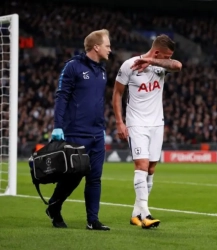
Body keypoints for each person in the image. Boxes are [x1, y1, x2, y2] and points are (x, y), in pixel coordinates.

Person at [112, 34, 182, 229]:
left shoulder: (161, 65)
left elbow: (178, 66)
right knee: (141, 165)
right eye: (167, 55)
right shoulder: (130, 65)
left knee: (150, 169)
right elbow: (117, 93)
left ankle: (136, 213)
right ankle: (146, 214)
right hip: (136, 123)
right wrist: (120, 122)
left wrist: (152, 61)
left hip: (157, 124)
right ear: (158, 51)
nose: (168, 59)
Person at [47, 29, 111, 231]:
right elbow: (62, 96)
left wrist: (101, 126)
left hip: (97, 134)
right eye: (108, 45)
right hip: (75, 133)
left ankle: (93, 220)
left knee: (95, 178)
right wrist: (58, 126)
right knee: (72, 178)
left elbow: (97, 102)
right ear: (96, 47)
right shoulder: (73, 67)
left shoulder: (102, 72)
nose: (110, 49)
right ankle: (54, 207)